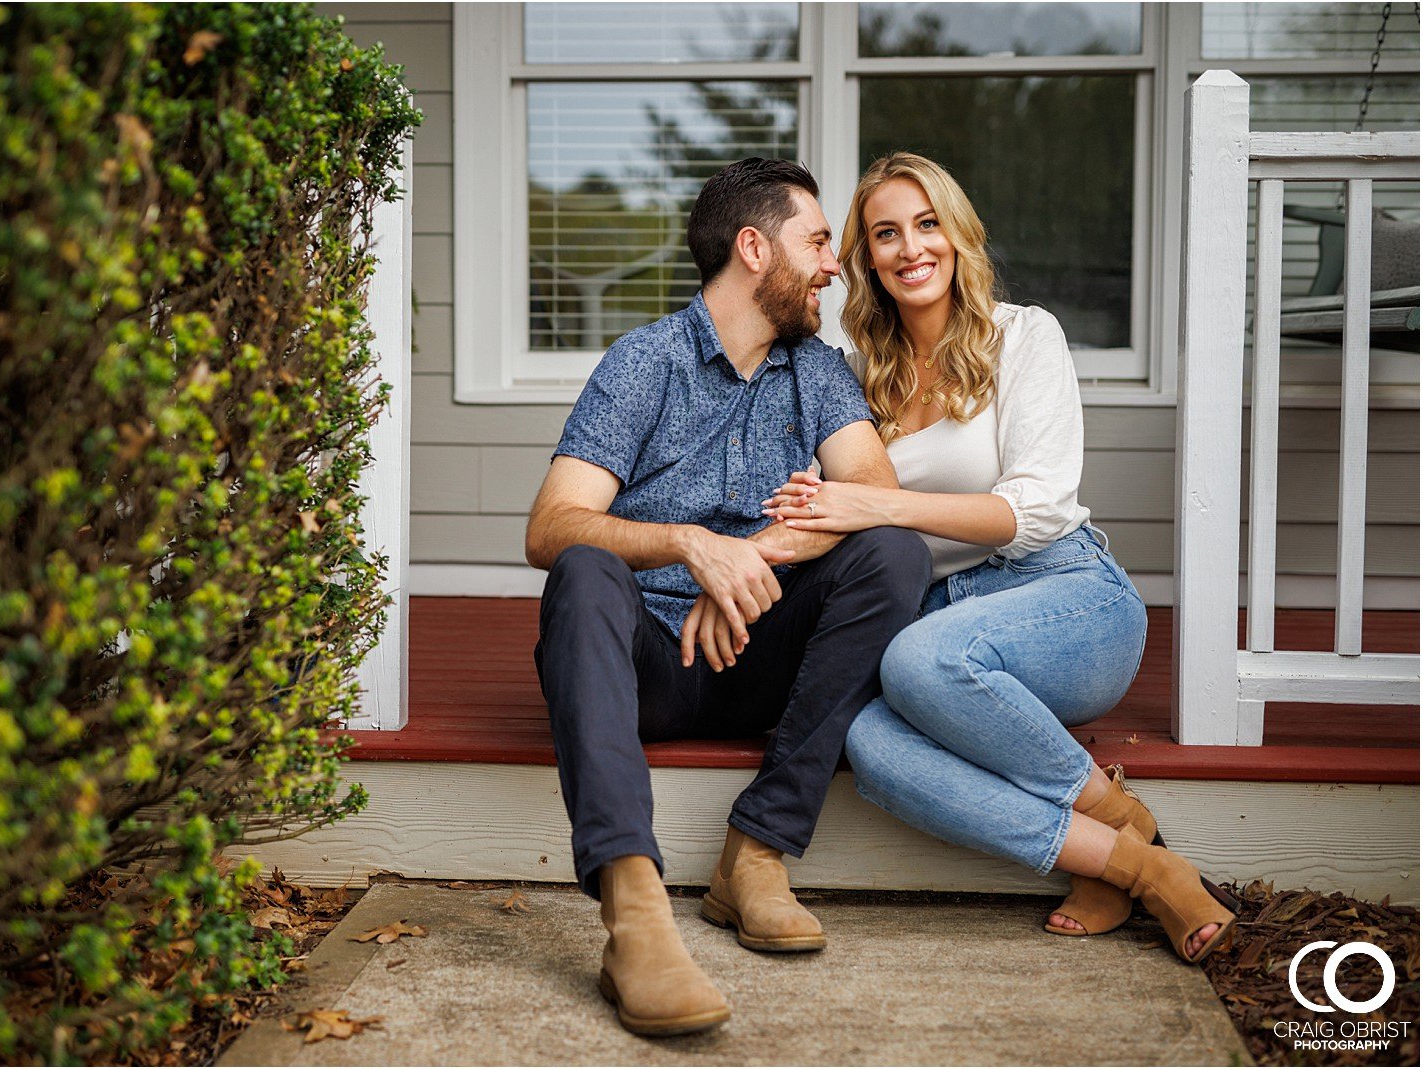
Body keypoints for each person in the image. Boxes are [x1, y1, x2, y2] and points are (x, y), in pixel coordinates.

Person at [761, 152, 1237, 965]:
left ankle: (1124, 817)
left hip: (1065, 593)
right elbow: (825, 511)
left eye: (926, 223)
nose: (911, 247)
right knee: (870, 742)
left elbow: (1038, 505)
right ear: (866, 258)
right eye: (885, 233)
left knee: (917, 659)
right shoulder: (852, 381)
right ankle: (1133, 860)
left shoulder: (1025, 334)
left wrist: (877, 503)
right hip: (945, 625)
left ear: (957, 234)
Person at [525, 157, 931, 1036]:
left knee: (893, 552)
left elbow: (869, 493)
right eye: (818, 241)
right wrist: (687, 545)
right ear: (755, 248)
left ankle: (755, 854)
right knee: (584, 569)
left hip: (761, 651)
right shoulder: (644, 363)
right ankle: (634, 916)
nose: (836, 264)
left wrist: (743, 561)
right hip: (651, 667)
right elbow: (551, 525)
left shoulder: (815, 369)